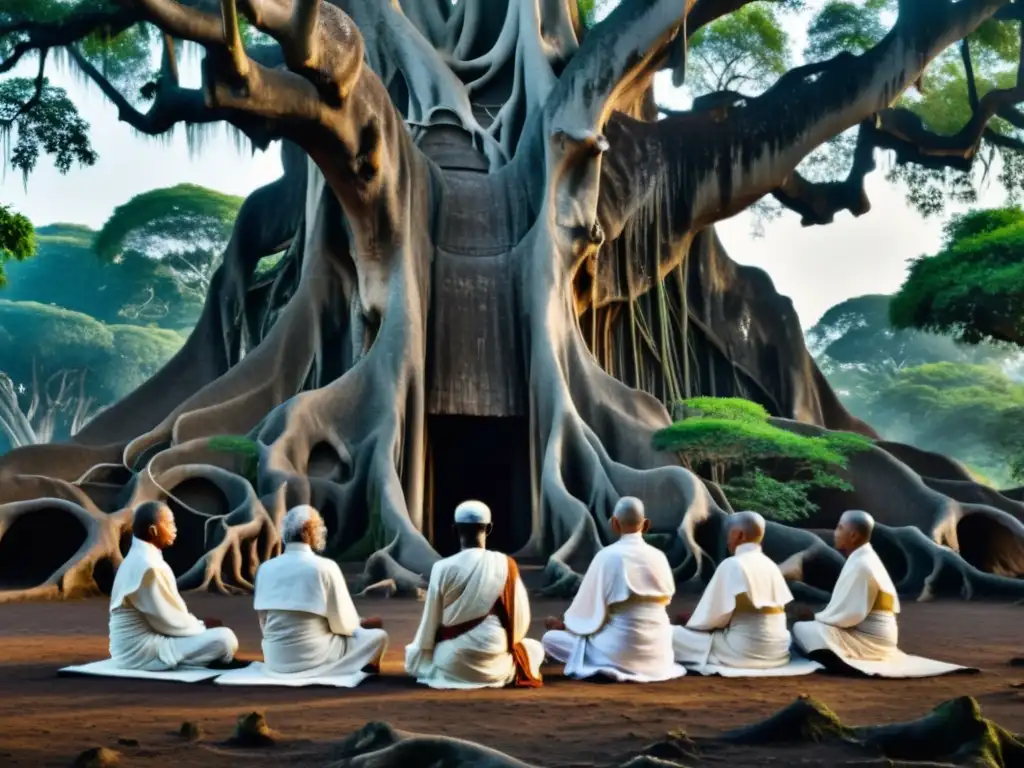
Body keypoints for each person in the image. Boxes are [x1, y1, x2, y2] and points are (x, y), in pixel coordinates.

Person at [791, 510, 967, 677]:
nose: (835, 533)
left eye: (840, 528)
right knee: (808, 628)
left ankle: (844, 664)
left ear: (853, 536)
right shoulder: (863, 559)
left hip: (871, 641)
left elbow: (852, 615)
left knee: (803, 629)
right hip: (877, 637)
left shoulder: (862, 565)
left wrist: (817, 617)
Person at [541, 497, 685, 682]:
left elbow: (587, 608)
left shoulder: (607, 556)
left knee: (550, 639)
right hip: (658, 654)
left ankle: (597, 658)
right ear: (646, 524)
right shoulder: (659, 557)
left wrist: (569, 625)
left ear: (614, 524)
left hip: (618, 652)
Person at [405, 500, 544, 689]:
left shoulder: (442, 567)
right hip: (496, 663)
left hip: (452, 664)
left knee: (415, 657)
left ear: (454, 530)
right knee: (534, 648)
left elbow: (431, 621)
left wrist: (423, 650)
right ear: (489, 529)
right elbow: (520, 620)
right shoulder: (505, 564)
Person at [253, 505, 388, 680]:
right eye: (319, 526)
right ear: (311, 532)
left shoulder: (265, 569)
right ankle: (364, 669)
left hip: (275, 660)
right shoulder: (325, 567)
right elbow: (343, 626)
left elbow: (263, 620)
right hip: (314, 658)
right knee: (379, 636)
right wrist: (361, 623)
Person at [109, 501, 239, 670]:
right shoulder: (149, 566)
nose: (175, 529)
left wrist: (199, 626)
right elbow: (168, 620)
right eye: (170, 524)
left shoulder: (138, 559)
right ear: (153, 530)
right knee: (225, 639)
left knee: (216, 636)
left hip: (132, 648)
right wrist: (201, 627)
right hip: (140, 651)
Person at [671, 511, 794, 672]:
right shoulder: (771, 565)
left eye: (729, 534)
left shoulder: (733, 564)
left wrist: (690, 626)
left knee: (669, 634)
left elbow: (710, 620)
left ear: (739, 535)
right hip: (777, 651)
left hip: (742, 651)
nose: (727, 541)